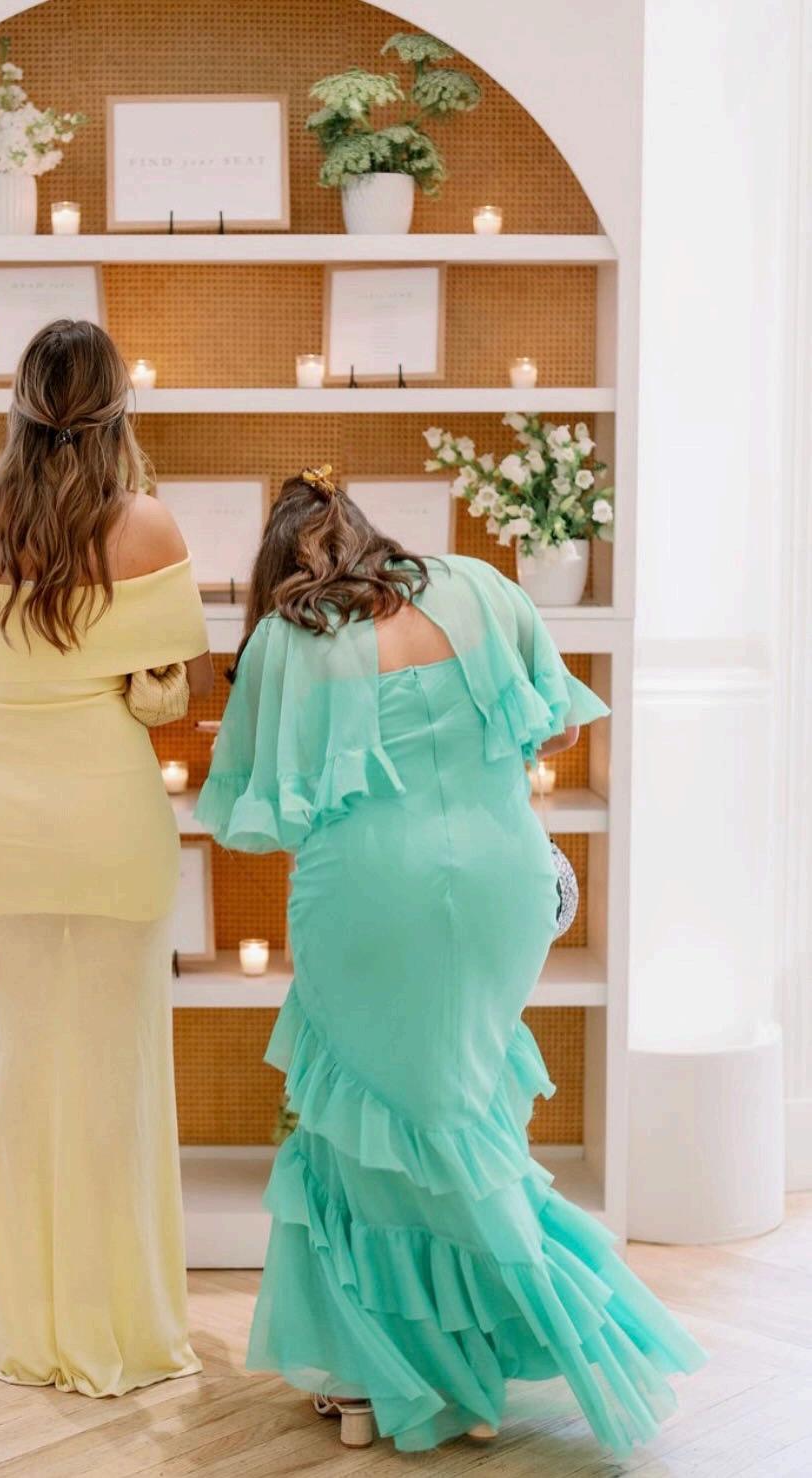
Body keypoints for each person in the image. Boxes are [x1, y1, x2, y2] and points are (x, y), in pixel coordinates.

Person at [196, 467, 705, 1454]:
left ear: (281, 568)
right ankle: (459, 1373)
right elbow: (555, 724)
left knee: (362, 1126)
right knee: (463, 1114)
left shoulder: (287, 640)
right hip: (504, 886)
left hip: (370, 900)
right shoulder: (479, 583)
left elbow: (256, 815)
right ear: (367, 533)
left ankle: (375, 1379)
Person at [0, 319, 212, 1398]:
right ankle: (125, 1334)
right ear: (117, 407)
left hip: (0, 826)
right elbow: (170, 686)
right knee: (121, 1081)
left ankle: (34, 1337)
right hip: (111, 825)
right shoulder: (146, 523)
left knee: (23, 1079)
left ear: (17, 402)